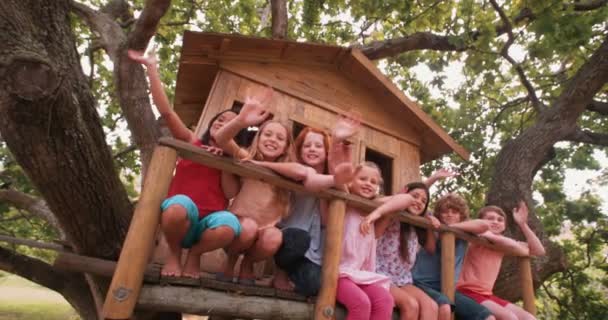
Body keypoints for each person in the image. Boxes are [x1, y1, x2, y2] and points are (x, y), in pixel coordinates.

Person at [128, 49, 245, 278]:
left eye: (231, 124)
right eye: (220, 119)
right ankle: (174, 254)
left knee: (230, 224)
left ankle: (194, 255)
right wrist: (152, 68)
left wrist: (223, 162)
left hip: (209, 225)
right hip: (180, 219)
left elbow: (230, 192)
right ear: (211, 122)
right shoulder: (192, 142)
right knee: (178, 205)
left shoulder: (232, 160)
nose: (222, 124)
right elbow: (167, 112)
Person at [252, 114, 360, 296]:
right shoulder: (296, 172)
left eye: (318, 146)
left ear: (325, 152)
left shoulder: (331, 180)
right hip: (289, 240)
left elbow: (338, 184)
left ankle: (289, 278)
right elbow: (307, 176)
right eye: (307, 145)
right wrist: (258, 163)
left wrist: (336, 143)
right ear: (300, 150)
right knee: (299, 239)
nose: (312, 149)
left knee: (314, 285)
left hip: (314, 251)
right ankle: (280, 274)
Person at [212, 87, 297, 284]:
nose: (272, 140)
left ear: (286, 147)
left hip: (264, 232)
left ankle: (248, 263)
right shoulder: (247, 158)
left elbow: (305, 173)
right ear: (258, 139)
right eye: (267, 134)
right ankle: (231, 260)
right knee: (248, 227)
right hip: (239, 227)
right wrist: (241, 120)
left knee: (275, 238)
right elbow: (222, 139)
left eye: (279, 138)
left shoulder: (287, 172)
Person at [361, 182, 440, 320]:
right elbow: (376, 235)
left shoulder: (416, 225)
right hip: (380, 274)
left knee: (432, 306)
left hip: (402, 278)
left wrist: (428, 223)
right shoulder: (392, 215)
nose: (418, 202)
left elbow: (431, 248)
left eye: (424, 201)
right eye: (415, 196)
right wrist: (396, 204)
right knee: (411, 305)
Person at [412, 193, 495, 320]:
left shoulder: (465, 231)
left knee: (487, 317)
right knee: (444, 307)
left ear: (461, 215)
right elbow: (418, 204)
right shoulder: (433, 226)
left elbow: (484, 225)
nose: (449, 214)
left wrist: (451, 228)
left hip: (449, 288)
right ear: (439, 214)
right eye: (445, 211)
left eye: (455, 212)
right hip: (422, 284)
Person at [457, 202, 545, 320]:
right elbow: (504, 241)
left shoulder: (502, 243)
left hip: (486, 294)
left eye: (500, 220)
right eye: (490, 218)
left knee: (529, 318)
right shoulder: (474, 237)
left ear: (504, 226)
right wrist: (488, 234)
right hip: (466, 292)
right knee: (509, 317)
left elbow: (539, 251)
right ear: (481, 221)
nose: (495, 222)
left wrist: (523, 224)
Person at [338, 161, 397, 320]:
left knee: (386, 300)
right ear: (351, 181)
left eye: (373, 182)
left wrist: (376, 213)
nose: (368, 184)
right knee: (361, 303)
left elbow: (405, 199)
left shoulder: (371, 218)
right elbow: (338, 176)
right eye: (362, 179)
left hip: (361, 275)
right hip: (338, 274)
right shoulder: (344, 203)